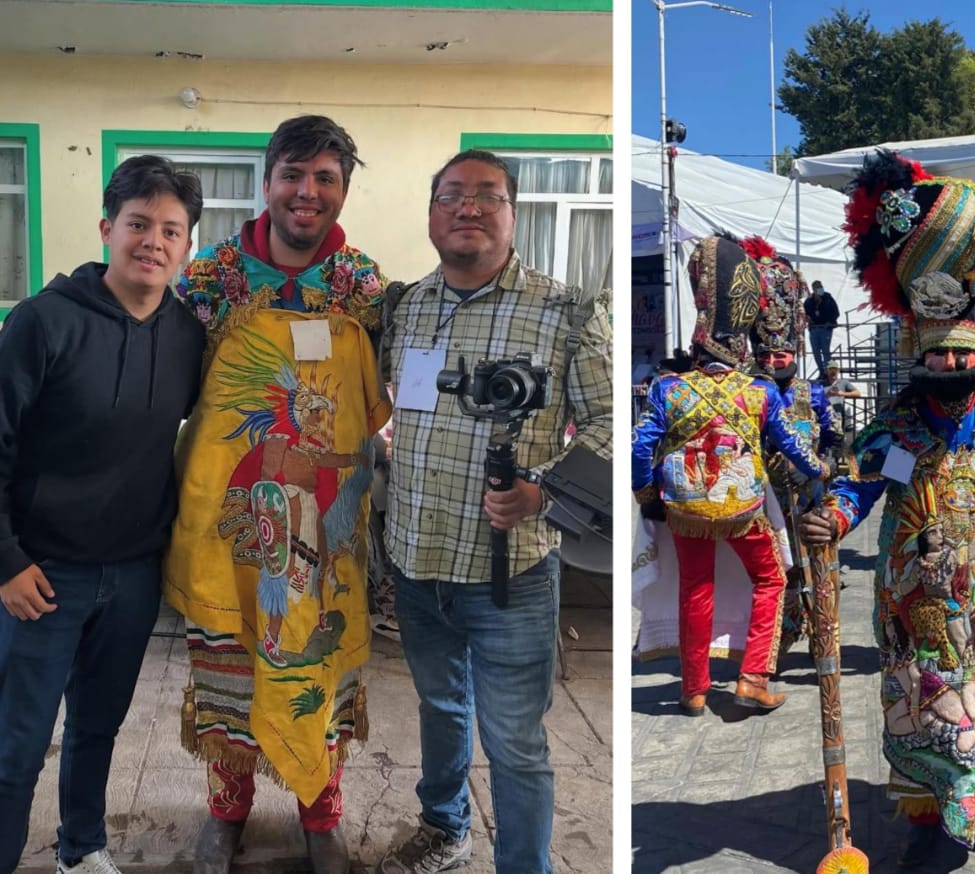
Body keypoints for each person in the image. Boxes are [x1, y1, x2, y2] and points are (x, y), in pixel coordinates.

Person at [800, 150, 975, 868]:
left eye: (960, 357)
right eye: (937, 357)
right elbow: (858, 483)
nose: (948, 368)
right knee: (925, 707)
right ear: (918, 348)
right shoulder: (897, 425)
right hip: (920, 608)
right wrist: (834, 517)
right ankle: (926, 824)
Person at [375, 150, 612, 874]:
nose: (468, 208)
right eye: (451, 195)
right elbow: (393, 409)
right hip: (415, 563)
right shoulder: (405, 306)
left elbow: (608, 423)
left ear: (514, 214)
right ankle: (445, 830)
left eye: (487, 196)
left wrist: (541, 491)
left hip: (508, 575)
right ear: (431, 214)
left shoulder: (567, 309)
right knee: (440, 708)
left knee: (515, 741)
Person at [164, 115, 390, 874]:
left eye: (326, 178)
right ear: (268, 182)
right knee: (228, 665)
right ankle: (226, 813)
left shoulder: (362, 288)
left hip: (326, 529)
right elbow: (169, 389)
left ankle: (321, 817)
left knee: (318, 670)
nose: (307, 192)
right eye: (294, 174)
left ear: (342, 192)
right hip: (230, 524)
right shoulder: (209, 279)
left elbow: (381, 402)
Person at [0, 157, 206, 874]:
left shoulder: (188, 337)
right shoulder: (42, 322)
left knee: (97, 729)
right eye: (138, 224)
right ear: (107, 230)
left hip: (132, 574)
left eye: (171, 230)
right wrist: (7, 560)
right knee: (16, 744)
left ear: (187, 247)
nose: (153, 241)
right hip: (41, 576)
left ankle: (81, 848)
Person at [632, 233, 825, 717]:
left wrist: (645, 491)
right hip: (744, 507)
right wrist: (820, 468)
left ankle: (694, 689)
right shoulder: (759, 392)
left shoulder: (668, 388)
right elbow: (791, 447)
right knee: (770, 579)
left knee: (696, 588)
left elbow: (640, 445)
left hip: (686, 505)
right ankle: (752, 678)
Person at [745, 238, 837, 657]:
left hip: (810, 495)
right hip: (766, 497)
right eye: (768, 354)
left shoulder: (811, 391)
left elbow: (832, 434)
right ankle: (778, 638)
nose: (776, 361)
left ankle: (823, 636)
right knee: (775, 570)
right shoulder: (747, 393)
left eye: (782, 353)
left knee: (818, 568)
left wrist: (833, 459)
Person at [803, 279, 840, 370]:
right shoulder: (809, 301)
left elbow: (836, 312)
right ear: (814, 289)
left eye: (821, 287)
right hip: (814, 329)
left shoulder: (828, 298)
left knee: (825, 351)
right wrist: (808, 318)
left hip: (825, 329)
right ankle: (821, 371)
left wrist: (830, 321)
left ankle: (828, 372)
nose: (820, 289)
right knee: (816, 352)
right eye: (818, 287)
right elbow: (804, 313)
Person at [823, 365, 863, 436]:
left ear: (838, 371)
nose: (833, 372)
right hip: (824, 413)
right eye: (831, 370)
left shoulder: (843, 382)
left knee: (837, 435)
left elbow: (858, 393)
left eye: (835, 370)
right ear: (827, 371)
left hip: (837, 413)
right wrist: (827, 394)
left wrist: (842, 393)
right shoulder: (822, 383)